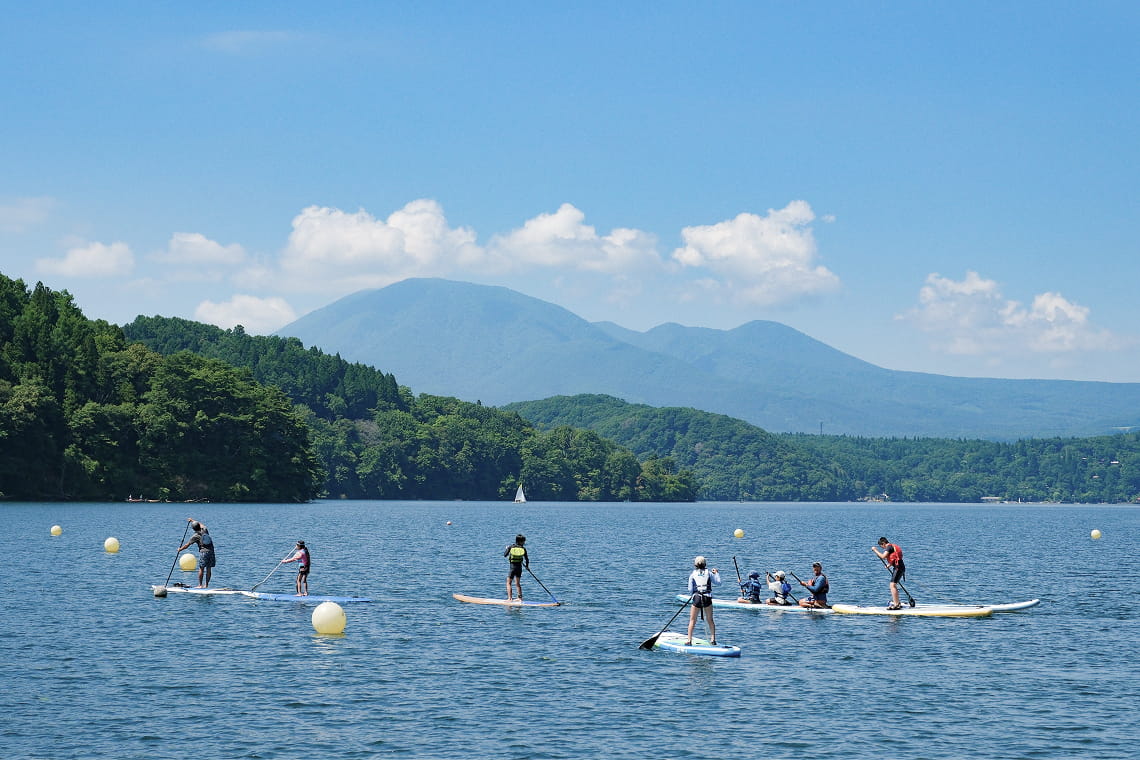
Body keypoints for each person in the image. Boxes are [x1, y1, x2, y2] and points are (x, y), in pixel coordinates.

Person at [686, 556, 721, 645]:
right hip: (707, 598)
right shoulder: (709, 573)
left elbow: (690, 589)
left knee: (692, 620)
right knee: (710, 620)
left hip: (697, 598)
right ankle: (713, 640)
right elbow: (718, 583)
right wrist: (716, 573)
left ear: (695, 565)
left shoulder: (692, 574)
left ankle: (689, 640)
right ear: (705, 564)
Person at [177, 518, 216, 588]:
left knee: (201, 568)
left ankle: (200, 585)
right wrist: (192, 520)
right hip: (211, 551)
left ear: (193, 529)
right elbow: (202, 524)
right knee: (209, 569)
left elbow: (187, 545)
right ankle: (206, 585)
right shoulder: (205, 530)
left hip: (204, 552)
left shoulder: (195, 536)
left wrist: (180, 549)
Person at [872, 536, 906, 609]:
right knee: (893, 585)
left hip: (898, 568)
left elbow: (883, 556)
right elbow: (895, 557)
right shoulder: (892, 547)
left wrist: (875, 550)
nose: (883, 548)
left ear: (884, 543)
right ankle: (897, 603)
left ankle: (896, 604)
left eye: (882, 547)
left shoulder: (889, 547)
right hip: (899, 567)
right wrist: (889, 564)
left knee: (892, 585)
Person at [504, 534, 529, 601]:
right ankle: (520, 598)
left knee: (508, 583)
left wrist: (507, 549)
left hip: (512, 568)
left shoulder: (511, 547)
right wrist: (527, 567)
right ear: (521, 541)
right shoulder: (523, 549)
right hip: (519, 568)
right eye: (524, 541)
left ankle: (510, 598)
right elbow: (527, 559)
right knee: (518, 583)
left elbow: (505, 555)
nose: (524, 543)